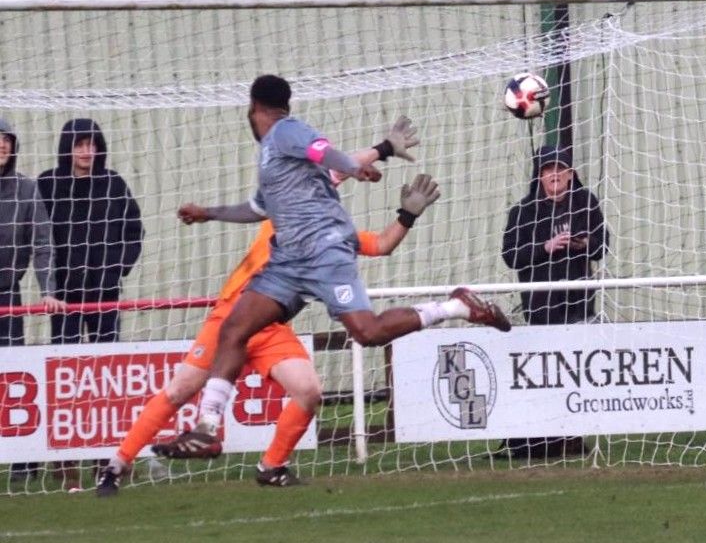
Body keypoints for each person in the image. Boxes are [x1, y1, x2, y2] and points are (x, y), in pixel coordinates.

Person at [150, 75, 511, 460]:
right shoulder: (273, 157)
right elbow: (257, 209)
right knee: (234, 327)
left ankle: (456, 307)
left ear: (254, 108)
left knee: (367, 333)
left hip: (325, 250)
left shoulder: (287, 131)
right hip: (289, 260)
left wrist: (355, 169)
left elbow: (323, 150)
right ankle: (207, 430)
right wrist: (209, 213)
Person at [96, 166, 440, 495]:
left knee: (309, 391)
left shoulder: (331, 236)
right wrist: (371, 155)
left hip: (271, 328)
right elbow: (329, 172)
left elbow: (381, 245)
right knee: (178, 391)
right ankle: (117, 464)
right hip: (231, 317)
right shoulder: (284, 214)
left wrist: (407, 215)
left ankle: (271, 466)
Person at [500, 144, 607, 459]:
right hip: (541, 305)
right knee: (546, 371)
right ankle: (540, 438)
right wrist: (545, 247)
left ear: (572, 174)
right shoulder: (523, 211)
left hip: (578, 301)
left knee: (577, 368)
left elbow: (602, 244)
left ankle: (573, 435)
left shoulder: (586, 203)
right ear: (540, 175)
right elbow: (510, 256)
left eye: (561, 169)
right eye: (549, 170)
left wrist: (581, 243)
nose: (555, 175)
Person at [36, 118, 143, 343]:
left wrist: (116, 267)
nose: (86, 151)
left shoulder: (113, 184)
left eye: (92, 144)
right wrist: (49, 283)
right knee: (65, 360)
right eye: (79, 145)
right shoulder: (48, 184)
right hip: (64, 294)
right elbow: (37, 234)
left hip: (105, 292)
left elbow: (134, 230)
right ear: (68, 148)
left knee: (107, 357)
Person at [1, 118, 66, 483]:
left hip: (9, 294)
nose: (2, 146)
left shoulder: (26, 189)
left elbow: (43, 243)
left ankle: (23, 461)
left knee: (13, 376)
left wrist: (48, 290)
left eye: (6, 140)